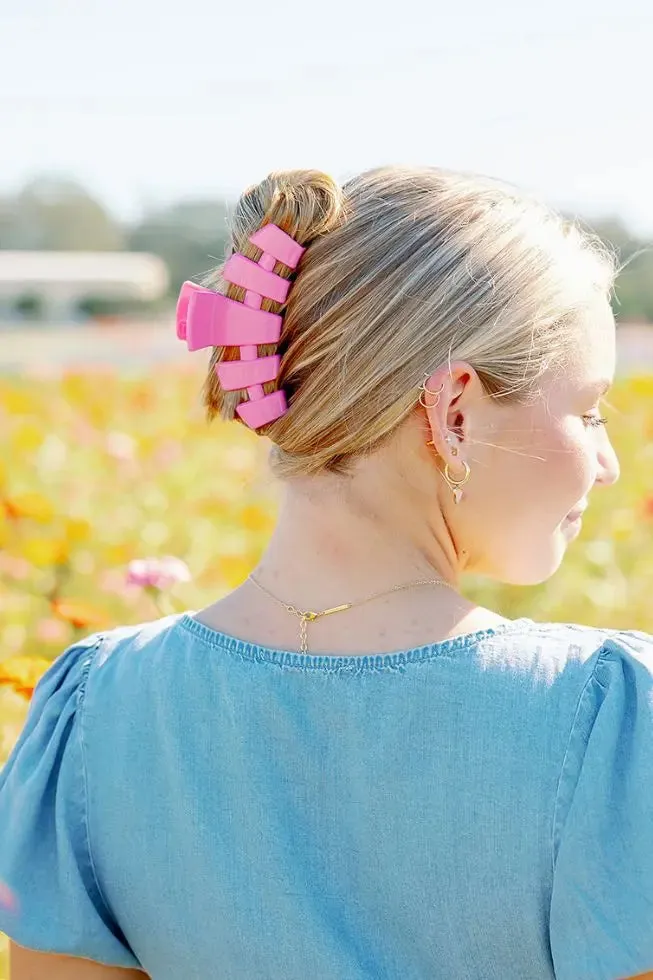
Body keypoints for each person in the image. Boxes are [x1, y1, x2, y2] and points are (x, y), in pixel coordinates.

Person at [1, 166, 652, 980]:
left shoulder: (92, 709)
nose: (607, 463)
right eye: (588, 410)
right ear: (454, 413)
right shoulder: (612, 719)